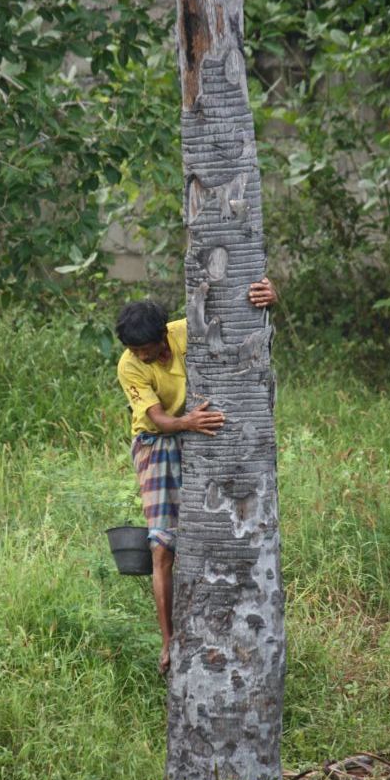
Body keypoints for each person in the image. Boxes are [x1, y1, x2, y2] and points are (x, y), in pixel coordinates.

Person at [115, 278, 277, 674]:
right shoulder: (129, 365)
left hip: (203, 437)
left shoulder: (188, 331)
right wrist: (187, 421)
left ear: (163, 336)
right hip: (158, 445)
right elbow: (156, 419)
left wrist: (269, 298)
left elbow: (241, 320)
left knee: (212, 537)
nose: (140, 355)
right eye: (134, 351)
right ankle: (169, 642)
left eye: (146, 349)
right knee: (162, 547)